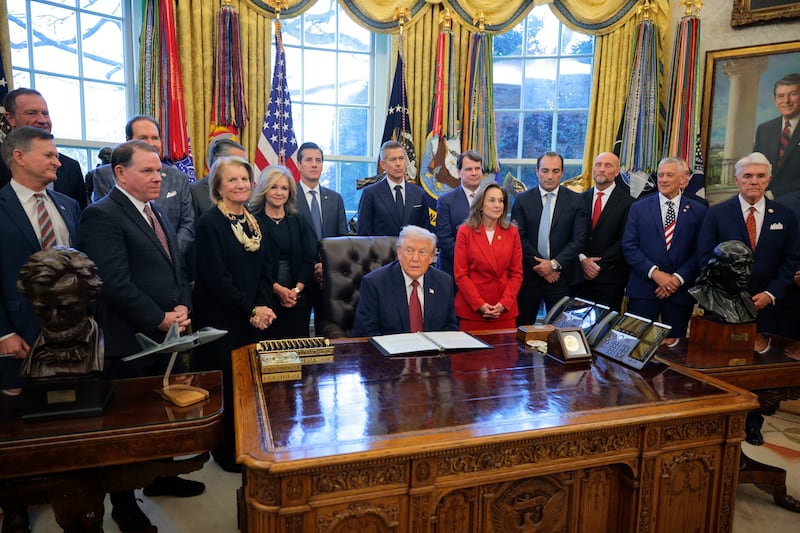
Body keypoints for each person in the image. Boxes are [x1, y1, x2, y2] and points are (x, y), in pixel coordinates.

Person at [78, 140, 202, 533]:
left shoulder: (156, 210)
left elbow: (176, 268)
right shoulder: (101, 215)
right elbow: (113, 283)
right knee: (126, 430)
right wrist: (158, 318)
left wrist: (182, 306)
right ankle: (124, 505)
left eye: (159, 170)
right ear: (120, 173)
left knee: (160, 416)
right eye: (147, 171)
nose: (158, 177)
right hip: (128, 339)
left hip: (165, 333)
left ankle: (162, 476)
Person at [0, 127, 81, 533]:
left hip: (71, 333)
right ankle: (14, 505)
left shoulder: (68, 205)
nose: (57, 161)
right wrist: (2, 333)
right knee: (14, 428)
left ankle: (71, 498)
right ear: (19, 156)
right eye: (48, 155)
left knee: (66, 419)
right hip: (18, 332)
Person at [192, 156, 277, 472]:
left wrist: (262, 307)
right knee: (227, 388)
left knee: (250, 389)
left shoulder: (253, 222)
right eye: (232, 180)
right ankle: (226, 452)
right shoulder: (210, 223)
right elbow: (216, 278)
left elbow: (265, 270)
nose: (240, 185)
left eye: (244, 179)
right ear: (218, 187)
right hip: (221, 319)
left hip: (252, 319)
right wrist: (249, 308)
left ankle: (249, 445)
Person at [696, 152, 800, 336]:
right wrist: (729, 294)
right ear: (737, 180)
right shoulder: (716, 214)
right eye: (747, 176)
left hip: (771, 307)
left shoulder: (785, 215)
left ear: (768, 180)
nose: (754, 181)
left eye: (760, 176)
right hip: (725, 307)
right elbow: (705, 257)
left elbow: (791, 259)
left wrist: (770, 293)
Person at [622, 157, 708, 340]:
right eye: (661, 175)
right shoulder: (638, 207)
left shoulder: (699, 210)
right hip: (644, 290)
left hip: (679, 293)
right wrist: (655, 274)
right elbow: (629, 246)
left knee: (674, 348)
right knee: (636, 345)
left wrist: (676, 279)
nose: (664, 179)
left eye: (670, 175)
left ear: (683, 179)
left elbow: (700, 252)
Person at [91, 115, 195, 256]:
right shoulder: (106, 175)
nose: (151, 143)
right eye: (143, 138)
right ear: (128, 141)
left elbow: (187, 224)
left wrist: (169, 255)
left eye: (155, 138)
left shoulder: (179, 177)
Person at [510, 151, 587, 325]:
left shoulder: (576, 201)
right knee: (523, 329)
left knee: (561, 331)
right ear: (537, 171)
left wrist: (553, 265)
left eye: (555, 171)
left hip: (562, 278)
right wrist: (541, 267)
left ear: (562, 172)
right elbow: (519, 237)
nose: (550, 176)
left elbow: (579, 240)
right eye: (545, 171)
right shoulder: (522, 200)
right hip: (529, 277)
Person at [353, 225, 458, 336]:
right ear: (399, 253)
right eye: (409, 251)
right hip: (390, 347)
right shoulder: (375, 284)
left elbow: (450, 327)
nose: (415, 258)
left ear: (431, 257)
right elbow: (367, 332)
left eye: (422, 252)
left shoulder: (444, 282)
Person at [17, 246, 104, 379]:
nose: (55, 320)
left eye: (66, 308)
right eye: (44, 309)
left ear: (89, 298)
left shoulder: (110, 349)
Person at [252, 165, 317, 339]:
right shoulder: (253, 221)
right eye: (273, 187)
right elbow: (254, 266)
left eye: (284, 188)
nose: (279, 193)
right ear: (264, 189)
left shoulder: (298, 220)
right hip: (265, 301)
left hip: (297, 300)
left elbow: (309, 259)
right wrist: (279, 290)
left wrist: (296, 290)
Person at [0, 88, 87, 210]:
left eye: (45, 113)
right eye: (31, 113)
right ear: (10, 118)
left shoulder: (70, 168)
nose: (42, 120)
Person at [293, 142, 348, 331]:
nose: (314, 164)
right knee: (299, 333)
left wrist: (326, 264)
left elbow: (342, 239)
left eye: (318, 160)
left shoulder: (335, 198)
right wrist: (311, 266)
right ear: (299, 164)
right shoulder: (288, 197)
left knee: (328, 331)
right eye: (308, 160)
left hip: (329, 275)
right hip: (299, 277)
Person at [453, 182, 522, 330]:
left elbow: (517, 274)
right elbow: (461, 274)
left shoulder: (512, 232)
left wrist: (504, 303)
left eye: (501, 201)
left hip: (503, 310)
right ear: (480, 205)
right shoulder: (465, 232)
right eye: (492, 200)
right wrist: (479, 304)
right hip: (473, 309)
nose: (497, 205)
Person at [574, 152, 633, 311]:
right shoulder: (579, 200)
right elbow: (572, 235)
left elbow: (625, 240)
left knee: (605, 325)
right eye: (598, 165)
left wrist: (596, 265)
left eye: (608, 166)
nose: (601, 169)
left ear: (617, 171)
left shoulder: (629, 203)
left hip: (610, 279)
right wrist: (583, 260)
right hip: (580, 278)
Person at [357, 140, 431, 236]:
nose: (398, 163)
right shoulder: (370, 194)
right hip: (381, 245)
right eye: (393, 159)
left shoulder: (419, 193)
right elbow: (363, 236)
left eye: (401, 158)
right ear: (383, 165)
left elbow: (425, 233)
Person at [436, 150, 484, 277]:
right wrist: (470, 259)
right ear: (458, 173)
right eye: (468, 169)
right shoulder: (445, 201)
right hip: (454, 271)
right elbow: (445, 239)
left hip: (486, 271)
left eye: (477, 168)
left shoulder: (492, 198)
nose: (474, 173)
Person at [754, 73, 800, 199]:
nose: (786, 101)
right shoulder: (764, 129)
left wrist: (773, 193)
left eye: (793, 94)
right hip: (762, 196)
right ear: (775, 100)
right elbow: (755, 166)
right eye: (781, 96)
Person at [689, 240, 757, 324]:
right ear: (717, 269)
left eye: (750, 266)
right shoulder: (702, 294)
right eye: (739, 266)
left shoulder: (747, 300)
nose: (747, 272)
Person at [190, 134, 247, 223]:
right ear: (219, 162)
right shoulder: (195, 191)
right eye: (237, 163)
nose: (243, 168)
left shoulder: (245, 189)